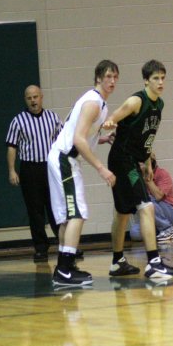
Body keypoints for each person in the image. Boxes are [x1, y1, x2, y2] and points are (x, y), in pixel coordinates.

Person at [103, 60, 173, 281]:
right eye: (156, 78)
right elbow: (112, 119)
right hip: (122, 160)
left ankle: (117, 262)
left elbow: (148, 137)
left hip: (133, 160)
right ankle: (154, 264)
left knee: (122, 212)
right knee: (146, 206)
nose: (160, 82)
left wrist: (147, 161)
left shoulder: (160, 105)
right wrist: (109, 124)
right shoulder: (136, 101)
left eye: (163, 78)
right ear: (146, 80)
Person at [47, 60, 117, 288]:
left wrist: (102, 138)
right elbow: (78, 139)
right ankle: (64, 270)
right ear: (98, 78)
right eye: (108, 76)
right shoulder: (93, 103)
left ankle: (65, 267)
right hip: (64, 159)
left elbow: (82, 134)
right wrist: (101, 168)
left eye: (116, 77)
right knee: (78, 213)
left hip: (64, 158)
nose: (112, 81)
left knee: (69, 216)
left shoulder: (101, 104)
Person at [6, 84, 63, 262]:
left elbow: (62, 142)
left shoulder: (53, 118)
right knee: (35, 210)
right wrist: (12, 170)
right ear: (26, 100)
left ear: (41, 97)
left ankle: (65, 245)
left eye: (35, 97)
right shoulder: (18, 121)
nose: (33, 101)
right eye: (29, 98)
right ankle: (41, 248)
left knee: (55, 208)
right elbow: (11, 147)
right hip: (30, 169)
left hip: (49, 167)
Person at [128, 154, 173, 242]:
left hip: (170, 212)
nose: (139, 166)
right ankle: (171, 231)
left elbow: (158, 196)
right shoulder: (136, 177)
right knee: (135, 233)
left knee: (147, 199)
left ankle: (167, 229)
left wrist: (147, 179)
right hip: (151, 217)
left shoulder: (162, 173)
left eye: (141, 163)